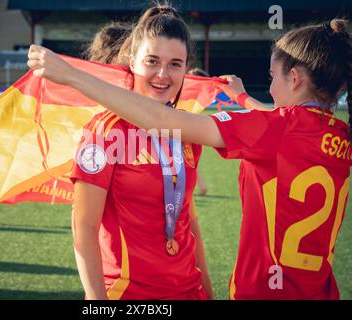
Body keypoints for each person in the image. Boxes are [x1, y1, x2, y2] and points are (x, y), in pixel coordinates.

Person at [28, 18, 351, 299]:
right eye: (152, 61)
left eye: (272, 77)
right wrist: (243, 99)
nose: (163, 74)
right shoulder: (340, 136)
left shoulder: (261, 130)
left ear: (294, 79)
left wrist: (71, 75)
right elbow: (291, 128)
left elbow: (168, 125)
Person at [44, 5, 214, 300]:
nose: (163, 74)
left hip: (189, 291)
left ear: (186, 68)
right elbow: (84, 227)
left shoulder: (187, 130)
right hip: (126, 294)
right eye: (152, 61)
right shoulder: (105, 131)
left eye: (175, 64)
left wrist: (208, 292)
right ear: (132, 62)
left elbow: (189, 222)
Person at [188, 68, 210, 196]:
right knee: (191, 160)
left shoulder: (191, 97)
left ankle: (200, 187)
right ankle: (201, 187)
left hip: (186, 129)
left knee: (189, 160)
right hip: (188, 128)